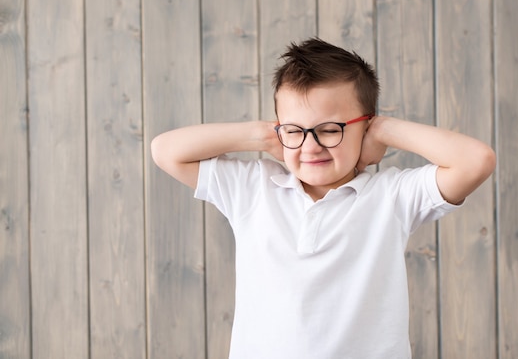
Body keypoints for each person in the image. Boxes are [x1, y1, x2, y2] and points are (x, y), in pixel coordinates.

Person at [151, 37, 496, 359]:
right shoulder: (253, 188)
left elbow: (476, 161)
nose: (310, 146)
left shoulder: (391, 197)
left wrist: (384, 130)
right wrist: (261, 134)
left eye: (331, 129)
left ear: (365, 125)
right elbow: (165, 151)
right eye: (295, 131)